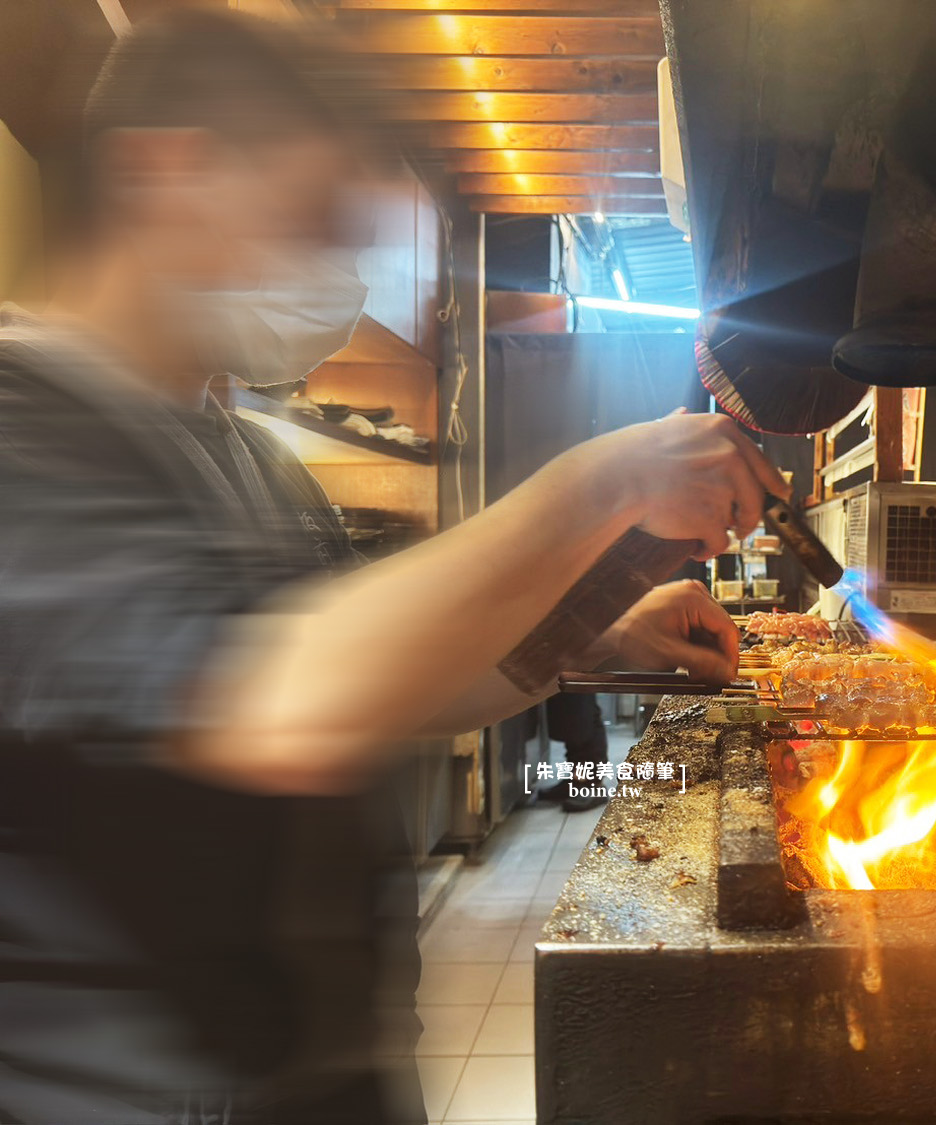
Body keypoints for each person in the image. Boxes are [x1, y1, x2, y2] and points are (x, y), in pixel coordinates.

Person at [0, 11, 781, 1124]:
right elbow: (273, 706)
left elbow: (386, 689)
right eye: (310, 220)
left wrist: (602, 627)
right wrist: (598, 484)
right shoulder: (24, 422)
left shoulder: (243, 454)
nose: (335, 277)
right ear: (170, 173)